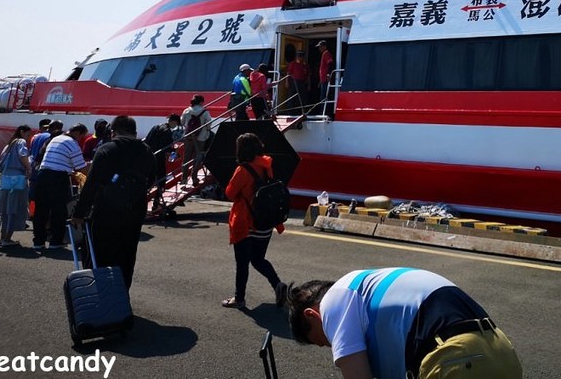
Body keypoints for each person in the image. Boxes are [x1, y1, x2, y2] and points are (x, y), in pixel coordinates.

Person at [287, 267, 523, 379]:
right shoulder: (366, 288)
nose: (332, 348)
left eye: (322, 342)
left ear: (312, 314)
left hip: (458, 361)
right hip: (501, 353)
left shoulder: (334, 301)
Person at [71, 115, 157, 290]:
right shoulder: (147, 151)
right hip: (135, 211)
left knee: (101, 254)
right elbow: (152, 179)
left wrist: (79, 213)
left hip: (106, 211)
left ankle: (102, 295)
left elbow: (91, 184)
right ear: (134, 132)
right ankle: (121, 296)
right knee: (127, 255)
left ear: (113, 132)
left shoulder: (107, 149)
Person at [221, 132, 287, 309]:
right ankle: (278, 285)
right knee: (258, 259)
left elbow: (230, 194)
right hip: (264, 221)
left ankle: (239, 298)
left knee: (242, 263)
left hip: (246, 222)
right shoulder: (266, 165)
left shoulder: (242, 170)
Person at [31, 123, 88, 249]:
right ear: (77, 133)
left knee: (41, 209)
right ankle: (56, 241)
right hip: (58, 178)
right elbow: (81, 168)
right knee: (59, 210)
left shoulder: (55, 139)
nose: (80, 139)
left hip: (43, 175)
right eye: (82, 136)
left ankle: (38, 241)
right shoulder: (72, 143)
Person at [0, 124, 32, 247]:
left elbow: (1, 162)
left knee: (4, 209)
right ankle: (7, 239)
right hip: (17, 179)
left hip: (6, 179)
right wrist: (28, 168)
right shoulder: (21, 142)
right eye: (28, 134)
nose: (28, 137)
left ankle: (3, 238)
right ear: (23, 132)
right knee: (15, 209)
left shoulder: (8, 145)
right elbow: (22, 154)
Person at [144, 114, 181, 204]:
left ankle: (142, 199)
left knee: (149, 180)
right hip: (159, 158)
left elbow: (147, 140)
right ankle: (156, 202)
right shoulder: (167, 132)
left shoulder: (155, 127)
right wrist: (175, 152)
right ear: (173, 121)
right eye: (176, 124)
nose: (175, 126)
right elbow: (165, 147)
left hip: (148, 156)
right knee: (161, 180)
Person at [180, 94, 213, 186]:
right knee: (198, 157)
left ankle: (184, 178)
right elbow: (209, 125)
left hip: (188, 137)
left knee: (186, 157)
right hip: (201, 138)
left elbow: (182, 122)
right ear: (201, 102)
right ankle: (194, 178)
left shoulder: (186, 111)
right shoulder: (205, 112)